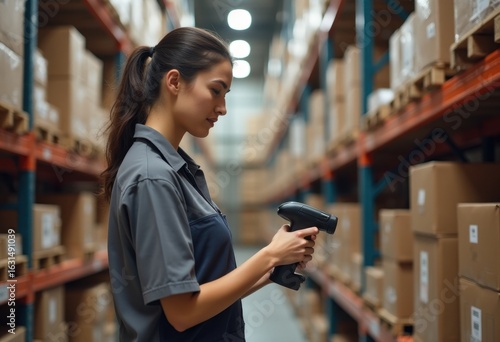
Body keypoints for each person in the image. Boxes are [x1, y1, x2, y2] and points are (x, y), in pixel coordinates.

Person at [101, 26, 318, 342]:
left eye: (226, 95)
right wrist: (269, 255)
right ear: (174, 81)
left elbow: (201, 288)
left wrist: (271, 271)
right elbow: (182, 313)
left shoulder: (177, 169)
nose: (223, 108)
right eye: (216, 90)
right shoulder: (154, 177)